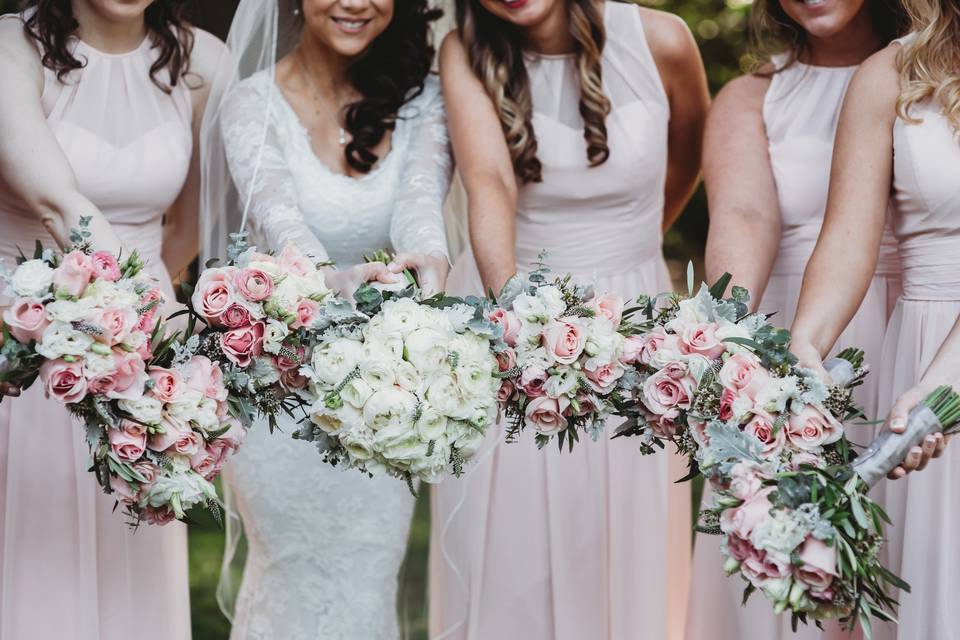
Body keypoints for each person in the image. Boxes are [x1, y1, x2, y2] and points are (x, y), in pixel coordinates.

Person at [430, 0, 709, 637]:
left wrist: (628, 249)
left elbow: (691, 153)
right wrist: (519, 320)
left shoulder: (663, 39)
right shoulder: (463, 51)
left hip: (637, 318)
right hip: (520, 313)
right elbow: (489, 180)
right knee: (517, 543)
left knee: (623, 532)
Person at [204, 0, 453, 637]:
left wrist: (428, 255)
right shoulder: (250, 102)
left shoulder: (423, 98)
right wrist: (322, 278)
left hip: (384, 388)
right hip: (282, 390)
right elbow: (278, 217)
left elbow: (421, 200)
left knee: (369, 572)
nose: (354, 3)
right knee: (287, 569)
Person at [0, 0, 225, 638]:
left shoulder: (203, 60)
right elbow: (54, 200)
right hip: (23, 341)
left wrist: (151, 348)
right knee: (33, 556)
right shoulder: (8, 48)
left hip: (146, 360)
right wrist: (121, 313)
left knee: (131, 545)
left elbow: (189, 221)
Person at [688, 0, 906, 637]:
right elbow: (744, 219)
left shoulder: (933, 72)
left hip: (919, 327)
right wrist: (730, 347)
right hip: (799, 346)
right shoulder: (751, 97)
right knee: (807, 568)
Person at [789, 0, 960, 635]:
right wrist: (802, 350)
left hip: (942, 367)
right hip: (919, 349)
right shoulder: (887, 72)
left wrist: (945, 379)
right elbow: (847, 238)